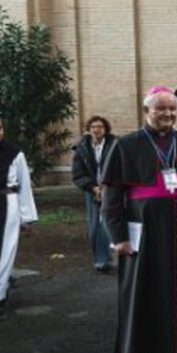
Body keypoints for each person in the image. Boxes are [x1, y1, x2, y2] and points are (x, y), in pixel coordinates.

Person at [102, 87, 177, 353]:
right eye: (160, 109)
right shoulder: (126, 145)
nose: (167, 114)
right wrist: (118, 237)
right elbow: (111, 197)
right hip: (147, 235)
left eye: (171, 109)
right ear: (146, 111)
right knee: (147, 293)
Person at [0, 114, 37, 320]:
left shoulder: (14, 154)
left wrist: (26, 217)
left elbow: (25, 186)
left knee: (4, 251)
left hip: (7, 204)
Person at [71, 115, 117, 275]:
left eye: (100, 127)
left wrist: (108, 187)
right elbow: (77, 172)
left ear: (105, 129)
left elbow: (120, 166)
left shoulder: (115, 145)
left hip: (111, 190)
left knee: (108, 223)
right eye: (93, 127)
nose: (97, 130)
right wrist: (92, 187)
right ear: (89, 130)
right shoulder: (82, 147)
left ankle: (114, 257)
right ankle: (101, 260)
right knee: (94, 226)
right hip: (92, 191)